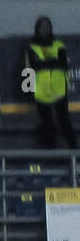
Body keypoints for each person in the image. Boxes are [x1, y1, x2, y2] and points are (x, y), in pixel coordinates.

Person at [25, 15, 76, 148]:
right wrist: (52, 61)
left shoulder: (59, 45)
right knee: (47, 123)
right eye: (42, 27)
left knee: (64, 121)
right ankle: (51, 152)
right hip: (41, 91)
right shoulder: (32, 46)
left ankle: (75, 150)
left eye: (47, 26)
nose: (45, 29)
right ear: (37, 28)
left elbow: (63, 64)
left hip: (59, 89)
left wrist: (44, 62)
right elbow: (33, 66)